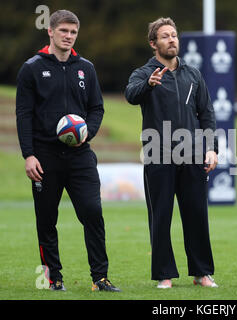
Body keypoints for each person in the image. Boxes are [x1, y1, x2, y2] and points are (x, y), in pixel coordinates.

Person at [16, 10, 120, 292]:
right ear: (50, 31)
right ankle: (54, 278)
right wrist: (29, 154)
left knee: (93, 212)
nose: (68, 36)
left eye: (73, 32)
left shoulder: (86, 67)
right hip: (44, 157)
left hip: (80, 155)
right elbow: (23, 115)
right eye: (63, 31)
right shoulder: (32, 68)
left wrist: (87, 133)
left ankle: (100, 278)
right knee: (47, 220)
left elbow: (97, 108)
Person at [124, 17, 218, 289]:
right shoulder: (143, 73)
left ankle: (202, 273)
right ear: (154, 43)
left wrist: (211, 149)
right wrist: (148, 85)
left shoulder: (193, 74)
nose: (172, 40)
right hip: (158, 153)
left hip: (192, 155)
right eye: (165, 36)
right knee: (161, 216)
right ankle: (164, 275)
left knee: (197, 215)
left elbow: (207, 114)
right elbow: (131, 95)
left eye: (174, 35)